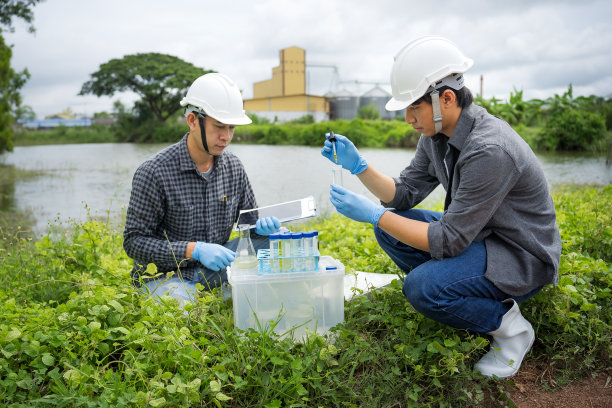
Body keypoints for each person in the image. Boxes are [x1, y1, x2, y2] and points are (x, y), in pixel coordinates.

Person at [321, 36, 561, 378]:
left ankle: (511, 330)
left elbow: (449, 239)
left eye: (413, 107)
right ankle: (456, 291)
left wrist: (376, 213)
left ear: (445, 99)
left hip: (520, 254)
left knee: (422, 286)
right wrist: (359, 167)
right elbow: (403, 194)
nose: (407, 118)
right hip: (480, 236)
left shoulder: (489, 148)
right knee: (391, 227)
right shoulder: (435, 136)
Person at [123, 72, 280, 308]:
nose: (226, 137)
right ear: (193, 121)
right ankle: (219, 292)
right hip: (168, 275)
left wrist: (261, 227)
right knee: (180, 310)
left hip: (218, 265)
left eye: (231, 128)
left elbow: (249, 223)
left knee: (279, 242)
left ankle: (226, 289)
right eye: (219, 126)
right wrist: (193, 250)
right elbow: (134, 242)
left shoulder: (234, 167)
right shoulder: (154, 172)